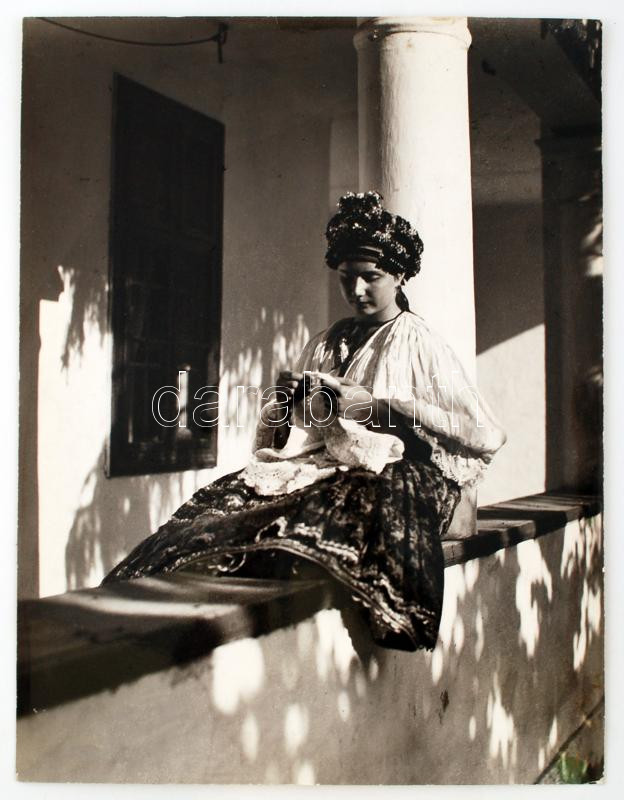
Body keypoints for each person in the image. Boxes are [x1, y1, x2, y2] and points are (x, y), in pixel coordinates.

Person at [103, 191, 506, 651]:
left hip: (400, 471)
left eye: (371, 277)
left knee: (360, 497)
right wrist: (287, 401)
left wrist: (377, 409)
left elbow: (480, 432)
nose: (357, 290)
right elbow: (292, 436)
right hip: (327, 464)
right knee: (233, 496)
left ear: (399, 276)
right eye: (346, 278)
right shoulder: (326, 342)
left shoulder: (419, 342)